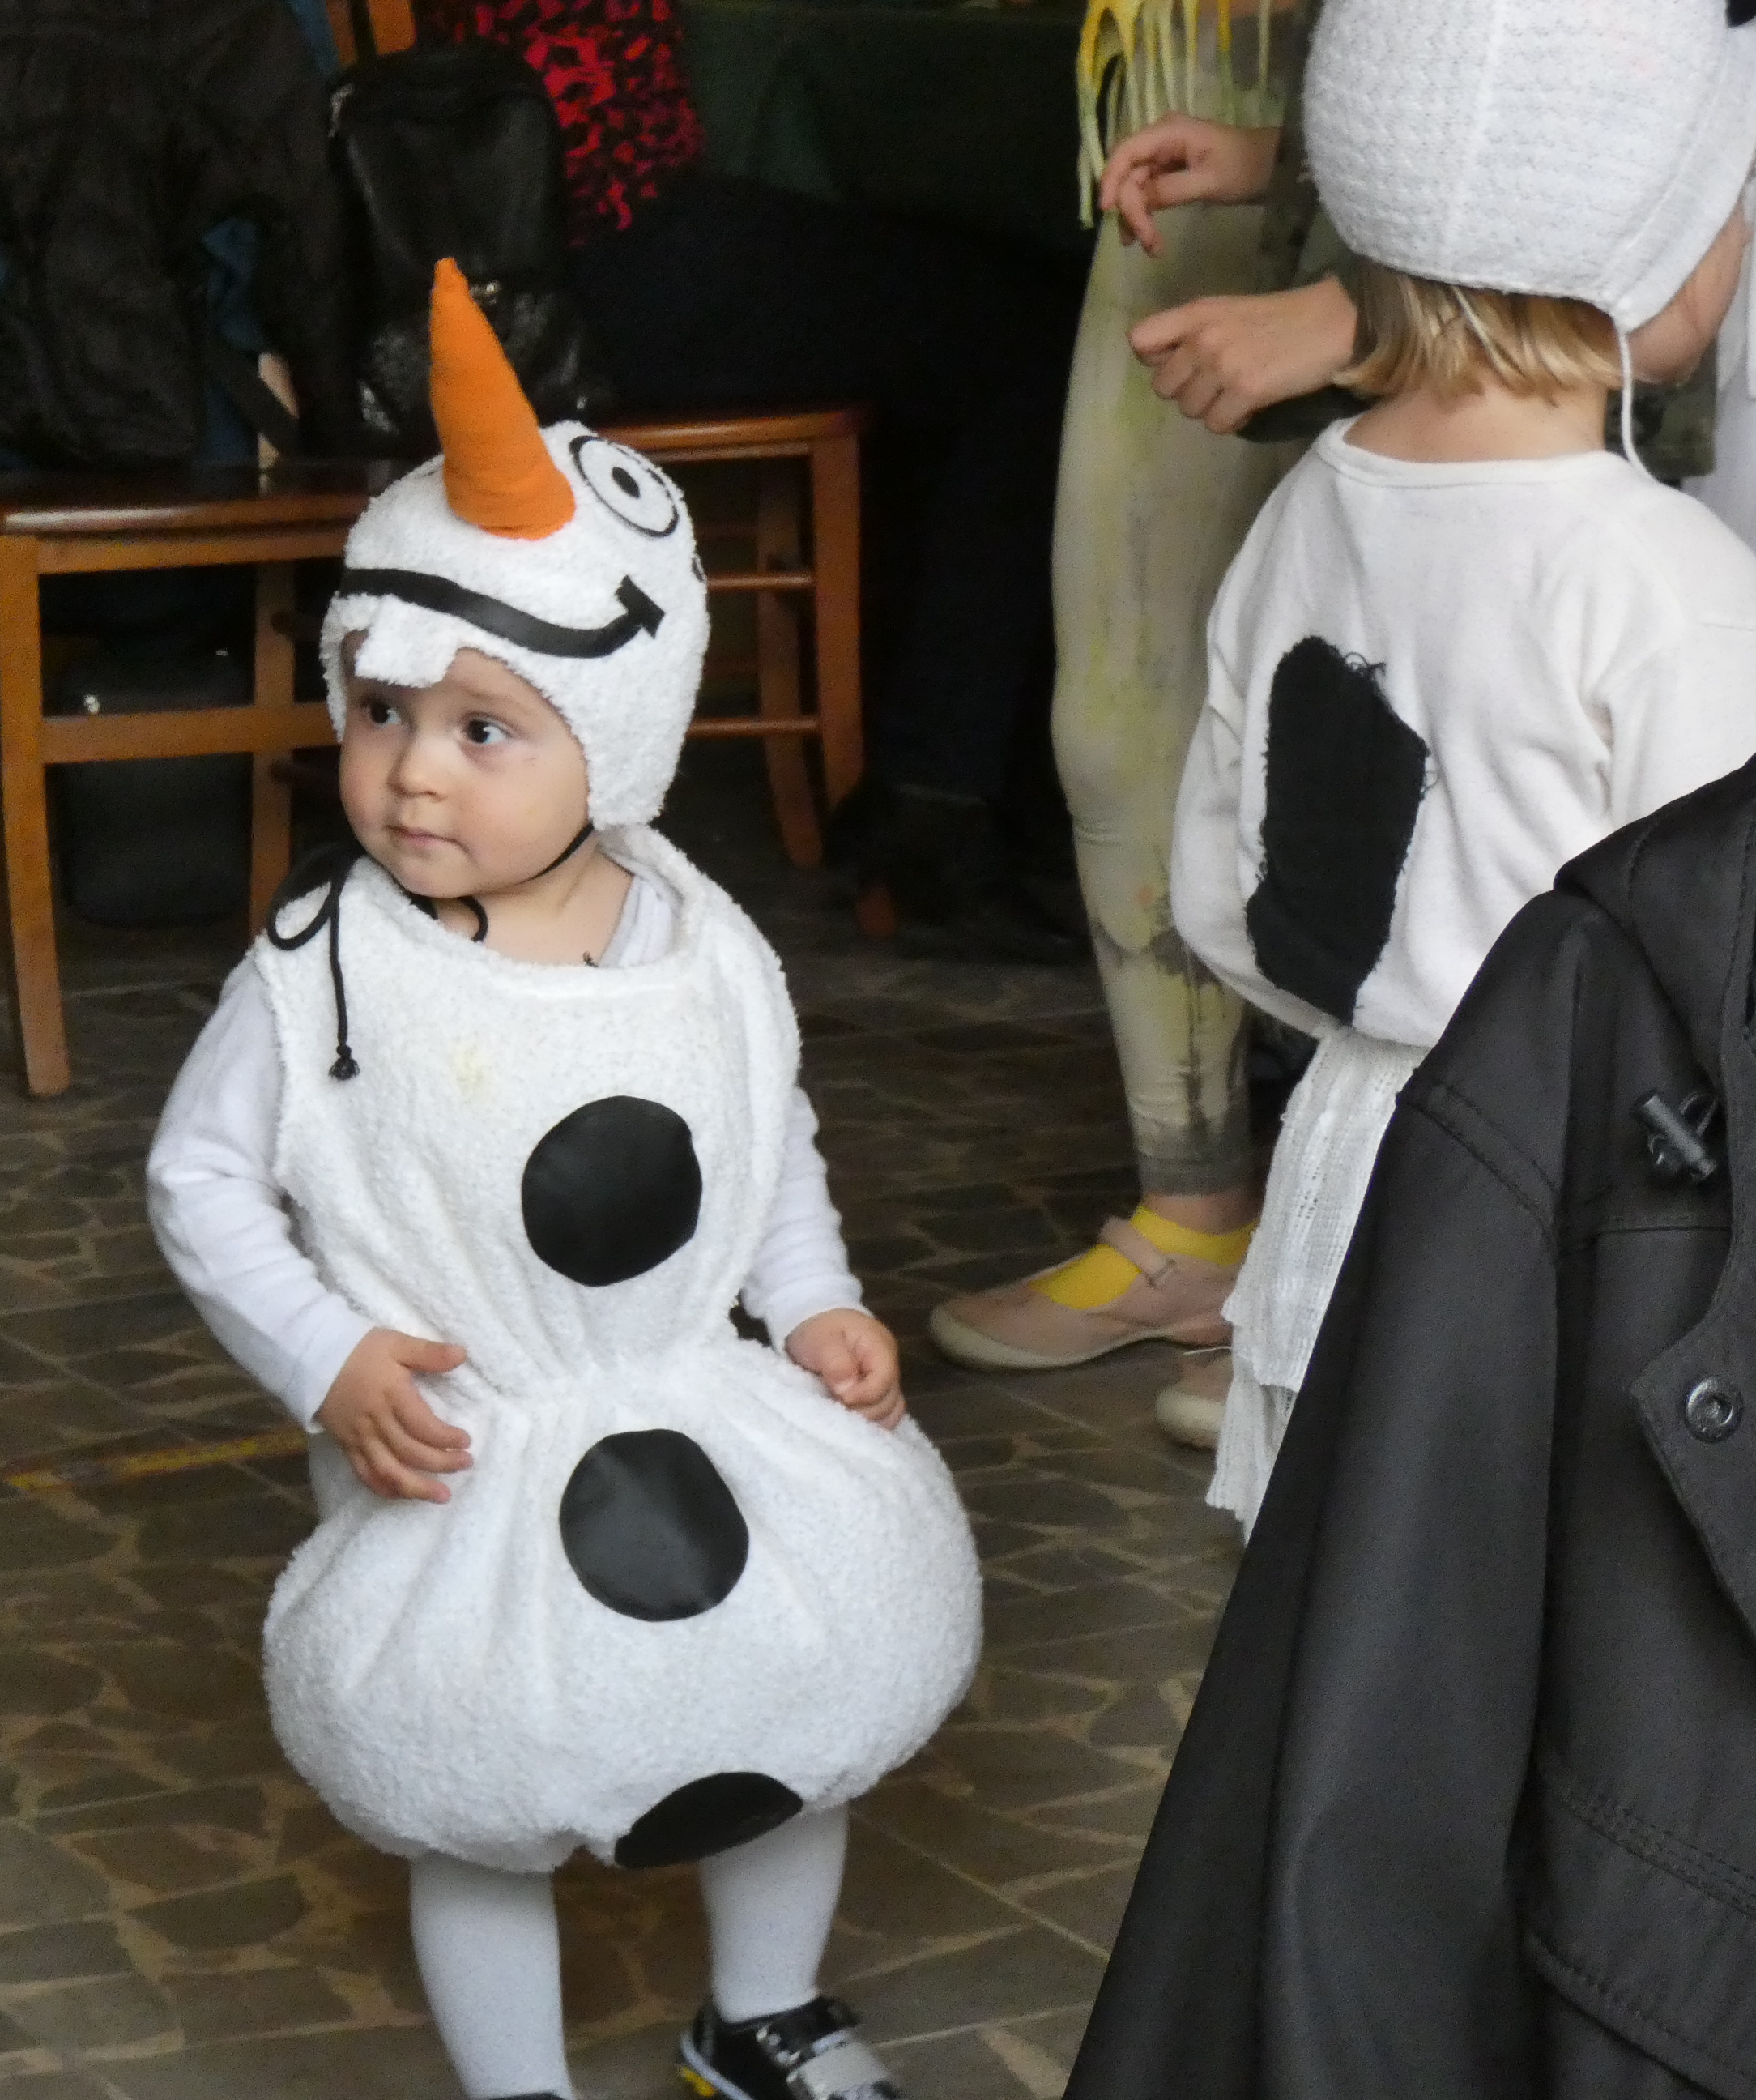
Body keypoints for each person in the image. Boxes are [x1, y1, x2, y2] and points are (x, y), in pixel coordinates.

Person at [147, 263, 982, 2100]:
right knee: (470, 1783)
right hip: (462, 1444)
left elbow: (761, 1131)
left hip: (698, 1407)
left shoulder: (694, 937)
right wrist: (324, 1356)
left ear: (618, 738)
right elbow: (200, 1180)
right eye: (378, 711)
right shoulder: (324, 973)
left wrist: (813, 1297)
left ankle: (758, 2012)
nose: (410, 776)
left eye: (483, 728)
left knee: (792, 1702)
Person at [1164, 0, 1756, 1531]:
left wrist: (1388, 1020)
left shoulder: (1302, 510)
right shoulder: (1666, 579)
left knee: (1355, 1634)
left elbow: (1224, 899)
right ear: (1647, 242)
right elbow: (1729, 980)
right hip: (1582, 1244)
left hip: (1346, 1182)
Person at [417, 0, 1090, 959]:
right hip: (591, 245)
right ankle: (946, 798)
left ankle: (960, 781)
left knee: (981, 324)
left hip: (545, 232)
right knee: (1033, 337)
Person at [925, 2, 1316, 1436]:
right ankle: (1197, 1220)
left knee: (1428, 727)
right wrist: (1275, 154)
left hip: (1488, 168)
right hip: (1228, 72)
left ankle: (1418, 1268)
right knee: (1118, 716)